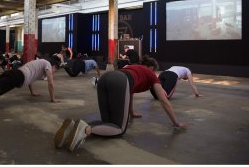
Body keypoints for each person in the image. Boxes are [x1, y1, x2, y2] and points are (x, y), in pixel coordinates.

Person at [54, 56, 186, 152]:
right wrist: (176, 122)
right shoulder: (151, 75)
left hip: (105, 79)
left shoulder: (132, 67)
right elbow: (163, 99)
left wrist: (132, 112)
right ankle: (84, 130)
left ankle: (72, 127)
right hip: (120, 81)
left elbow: (130, 93)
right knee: (118, 129)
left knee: (107, 123)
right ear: (151, 68)